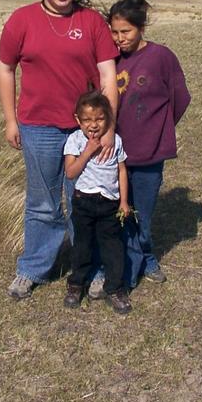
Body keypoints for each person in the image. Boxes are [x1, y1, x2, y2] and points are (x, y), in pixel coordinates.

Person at [0, 0, 118, 300]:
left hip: (87, 130)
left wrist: (107, 126)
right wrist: (10, 119)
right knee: (42, 202)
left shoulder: (92, 21)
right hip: (39, 127)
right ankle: (33, 267)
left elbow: (108, 75)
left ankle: (91, 268)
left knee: (87, 200)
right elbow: (5, 70)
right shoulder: (22, 20)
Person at [107, 0, 191, 289]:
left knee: (143, 210)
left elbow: (181, 98)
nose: (120, 39)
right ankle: (114, 262)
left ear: (141, 28)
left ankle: (146, 256)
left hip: (149, 154)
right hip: (113, 153)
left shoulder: (161, 57)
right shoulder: (110, 58)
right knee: (116, 211)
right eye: (115, 32)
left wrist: (159, 128)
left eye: (126, 31)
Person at [63, 91, 132, 315]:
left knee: (113, 248)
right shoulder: (74, 140)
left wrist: (124, 202)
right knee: (82, 246)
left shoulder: (115, 141)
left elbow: (122, 171)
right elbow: (71, 172)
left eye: (100, 119)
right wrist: (87, 151)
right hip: (83, 202)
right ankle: (76, 285)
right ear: (78, 120)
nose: (93, 125)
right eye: (87, 120)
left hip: (109, 205)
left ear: (109, 119)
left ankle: (114, 288)